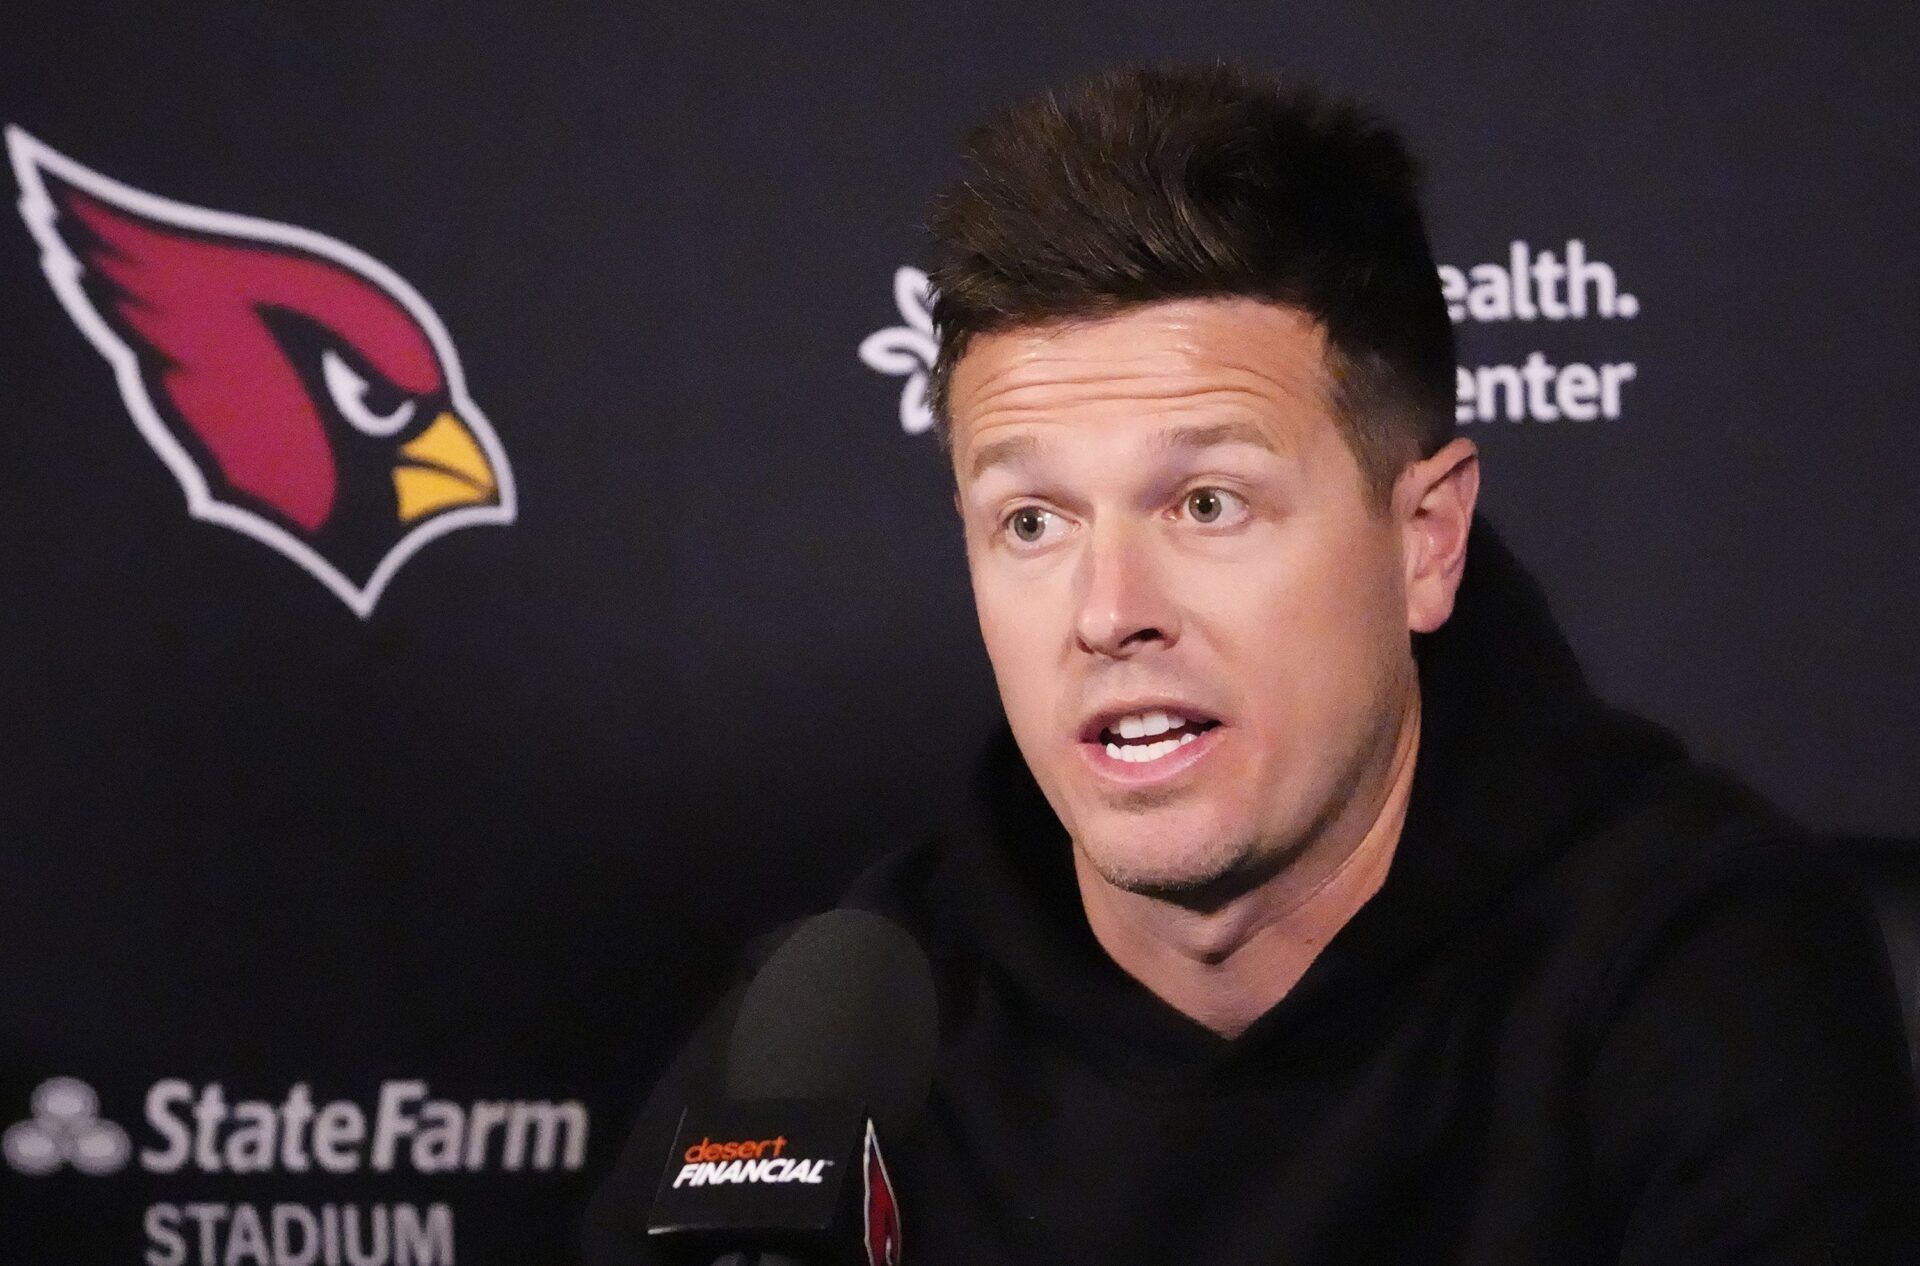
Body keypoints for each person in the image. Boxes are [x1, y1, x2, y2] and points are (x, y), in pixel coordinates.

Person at [585, 63, 1920, 1263]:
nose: (1109, 611)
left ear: (1427, 538)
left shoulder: (1700, 975)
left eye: (1207, 504)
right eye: (1032, 522)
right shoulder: (835, 1035)